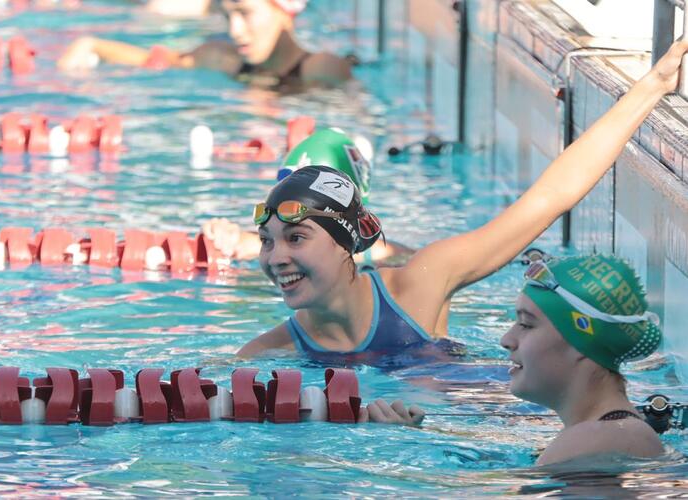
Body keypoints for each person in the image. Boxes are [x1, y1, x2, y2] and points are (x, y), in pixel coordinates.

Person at [235, 39, 688, 361]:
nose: (276, 258)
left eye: (295, 237)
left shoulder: (420, 284)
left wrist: (652, 86)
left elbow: (548, 198)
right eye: (267, 241)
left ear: (348, 242)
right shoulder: (264, 355)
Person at [370, 255, 664, 466]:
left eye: (526, 324)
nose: (506, 339)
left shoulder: (594, 440)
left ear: (581, 341)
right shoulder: (607, 435)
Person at [203, 128, 412, 263]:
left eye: (303, 200)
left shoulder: (388, 259)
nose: (288, 208)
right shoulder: (264, 248)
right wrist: (224, 235)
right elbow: (246, 243)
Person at [58, 0, 352, 89]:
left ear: (285, 14)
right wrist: (91, 44)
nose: (235, 31)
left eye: (246, 14)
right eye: (228, 16)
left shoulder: (323, 68)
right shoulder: (221, 57)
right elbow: (154, 60)